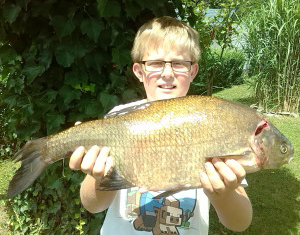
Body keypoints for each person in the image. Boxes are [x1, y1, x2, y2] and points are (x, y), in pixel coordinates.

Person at [69, 16, 252, 235]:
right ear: (139, 71)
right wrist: (99, 178)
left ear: (192, 71)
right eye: (155, 63)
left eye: (178, 63)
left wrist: (223, 195)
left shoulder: (213, 122)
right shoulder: (117, 119)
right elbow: (93, 205)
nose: (167, 73)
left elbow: (240, 223)